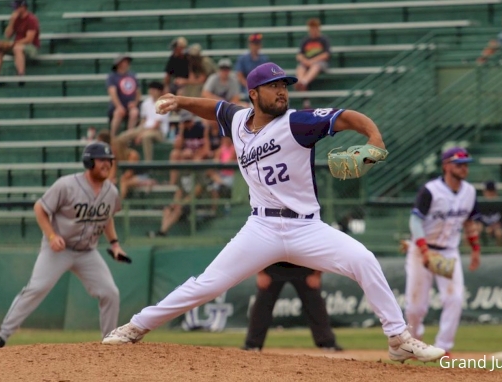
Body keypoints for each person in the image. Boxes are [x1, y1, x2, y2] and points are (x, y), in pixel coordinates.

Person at [101, 62, 446, 364]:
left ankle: (398, 339)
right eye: (274, 86)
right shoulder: (238, 120)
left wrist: (375, 138)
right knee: (207, 284)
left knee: (363, 259)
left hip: (307, 228)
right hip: (261, 227)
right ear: (253, 94)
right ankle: (136, 326)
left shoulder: (297, 123)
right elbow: (216, 108)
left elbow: (345, 117)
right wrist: (180, 102)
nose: (282, 92)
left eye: (285, 86)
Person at [0, 142, 128, 349]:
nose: (107, 164)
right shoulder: (67, 185)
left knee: (110, 293)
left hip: (87, 252)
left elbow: (107, 218)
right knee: (36, 288)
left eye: (109, 161)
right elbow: (40, 208)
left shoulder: (111, 192)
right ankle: (2, 337)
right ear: (89, 162)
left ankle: (109, 343)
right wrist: (52, 236)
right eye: (102, 160)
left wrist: (115, 244)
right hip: (58, 249)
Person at [404, 147, 481, 357]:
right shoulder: (431, 190)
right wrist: (424, 250)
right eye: (459, 164)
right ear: (446, 166)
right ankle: (414, 341)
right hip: (422, 252)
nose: (464, 168)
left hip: (448, 252)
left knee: (454, 298)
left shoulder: (470, 192)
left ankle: (443, 347)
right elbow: (414, 220)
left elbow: (469, 222)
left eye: (466, 164)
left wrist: (475, 248)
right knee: (415, 307)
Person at [242, 263, 343, 352]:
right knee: (262, 304)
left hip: (303, 266)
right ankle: (252, 344)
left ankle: (328, 343)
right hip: (274, 266)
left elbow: (319, 248)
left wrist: (316, 275)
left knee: (315, 305)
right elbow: (261, 247)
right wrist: (261, 273)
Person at [115, 81, 170, 161]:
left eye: (154, 89)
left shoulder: (164, 104)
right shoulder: (146, 103)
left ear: (160, 91)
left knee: (146, 137)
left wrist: (141, 135)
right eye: (151, 89)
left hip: (158, 131)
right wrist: (138, 131)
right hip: (144, 128)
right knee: (122, 137)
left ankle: (148, 164)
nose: (152, 91)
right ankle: (123, 161)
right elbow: (143, 121)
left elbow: (157, 125)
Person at [98, 130, 155, 200]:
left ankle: (117, 204)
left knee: (124, 183)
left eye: (114, 147)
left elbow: (129, 173)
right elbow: (112, 172)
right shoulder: (115, 156)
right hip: (125, 179)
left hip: (140, 176)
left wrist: (117, 180)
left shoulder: (132, 155)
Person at [0, 0, 40, 78]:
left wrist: (13, 44)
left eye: (16, 7)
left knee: (17, 48)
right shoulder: (16, 19)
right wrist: (12, 21)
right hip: (17, 44)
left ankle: (21, 74)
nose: (14, 9)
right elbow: (7, 35)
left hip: (31, 47)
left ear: (23, 7)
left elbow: (29, 39)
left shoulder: (31, 19)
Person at [295, 18, 331, 99]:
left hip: (320, 63)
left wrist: (312, 61)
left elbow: (326, 54)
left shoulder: (324, 39)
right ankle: (300, 81)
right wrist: (305, 61)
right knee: (300, 67)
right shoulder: (306, 40)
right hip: (307, 62)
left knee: (315, 66)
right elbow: (299, 55)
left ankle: (304, 82)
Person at [168, 111, 206, 187]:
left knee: (196, 160)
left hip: (196, 155)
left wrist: (194, 154)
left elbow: (205, 147)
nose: (188, 123)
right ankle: (172, 184)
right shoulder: (181, 130)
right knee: (174, 154)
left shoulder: (200, 128)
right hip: (184, 155)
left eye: (189, 121)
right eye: (185, 121)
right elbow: (177, 147)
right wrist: (181, 131)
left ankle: (197, 184)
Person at [107, 54, 141, 137]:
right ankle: (113, 136)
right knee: (118, 113)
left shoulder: (132, 75)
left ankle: (128, 137)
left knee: (134, 112)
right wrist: (119, 106)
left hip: (130, 105)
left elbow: (138, 92)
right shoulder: (112, 77)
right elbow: (112, 93)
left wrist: (135, 103)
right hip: (118, 106)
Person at [476, 180, 502, 247]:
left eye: (492, 192)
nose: (490, 194)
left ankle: (499, 254)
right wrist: (485, 227)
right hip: (483, 228)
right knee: (474, 232)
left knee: (499, 233)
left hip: (496, 228)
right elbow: (476, 220)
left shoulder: (501, 204)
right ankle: (472, 254)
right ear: (484, 192)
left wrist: (495, 226)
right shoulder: (480, 204)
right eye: (488, 192)